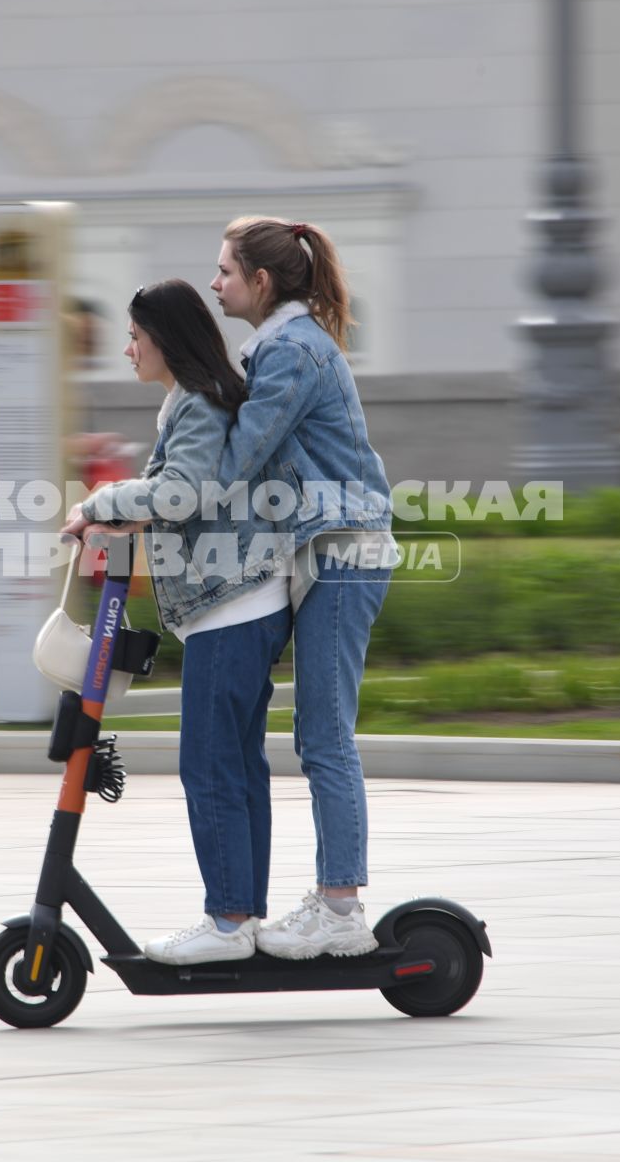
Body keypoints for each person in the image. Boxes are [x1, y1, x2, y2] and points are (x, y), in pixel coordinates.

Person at [62, 280, 293, 964]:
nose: (127, 347)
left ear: (166, 338)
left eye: (136, 335)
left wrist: (103, 501)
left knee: (212, 768)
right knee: (238, 767)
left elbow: (181, 492)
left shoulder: (195, 404)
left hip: (231, 607)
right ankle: (241, 915)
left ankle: (226, 923)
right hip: (242, 604)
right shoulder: (193, 401)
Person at [209, 216, 394, 960]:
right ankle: (334, 897)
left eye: (225, 271)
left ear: (262, 282)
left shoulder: (290, 353)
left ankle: (342, 907)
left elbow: (239, 459)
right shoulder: (283, 347)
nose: (216, 283)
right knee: (316, 733)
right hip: (325, 551)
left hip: (343, 554)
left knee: (324, 734)